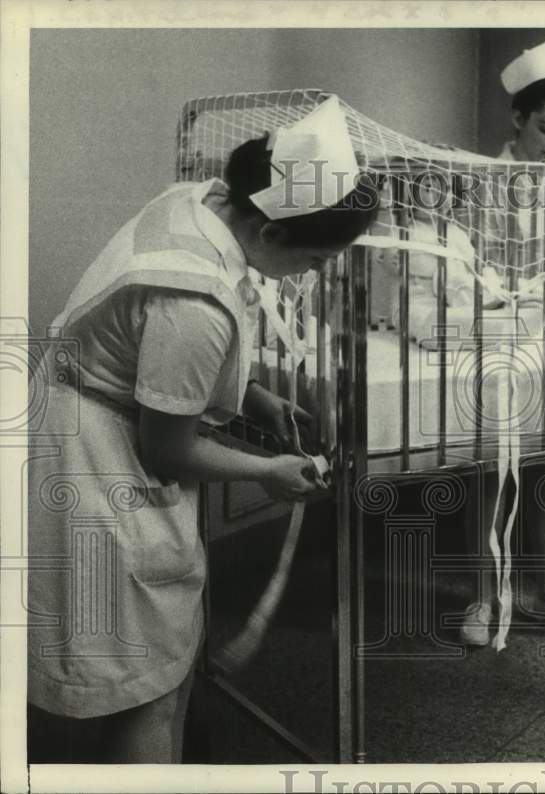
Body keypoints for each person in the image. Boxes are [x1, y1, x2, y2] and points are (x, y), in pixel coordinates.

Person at [27, 96, 378, 762]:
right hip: (96, 462)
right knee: (145, 686)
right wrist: (268, 472)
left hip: (91, 420)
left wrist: (255, 398)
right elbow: (168, 446)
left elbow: (151, 354)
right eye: (315, 259)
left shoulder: (202, 201)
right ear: (271, 233)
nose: (317, 272)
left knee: (158, 663)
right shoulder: (193, 300)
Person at [460, 40, 545, 646]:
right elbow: (470, 266)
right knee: (494, 466)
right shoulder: (484, 182)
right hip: (500, 328)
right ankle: (485, 596)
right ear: (518, 119)